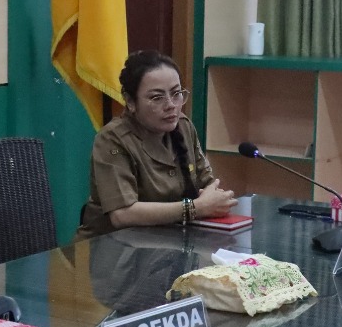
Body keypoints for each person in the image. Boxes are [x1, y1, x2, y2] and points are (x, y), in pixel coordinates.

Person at [75, 50, 237, 241]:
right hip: (111, 247)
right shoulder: (112, 139)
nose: (171, 105)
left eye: (176, 94)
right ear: (130, 101)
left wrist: (212, 199)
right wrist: (195, 208)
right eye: (157, 98)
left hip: (166, 241)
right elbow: (122, 214)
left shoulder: (183, 126)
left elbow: (208, 186)